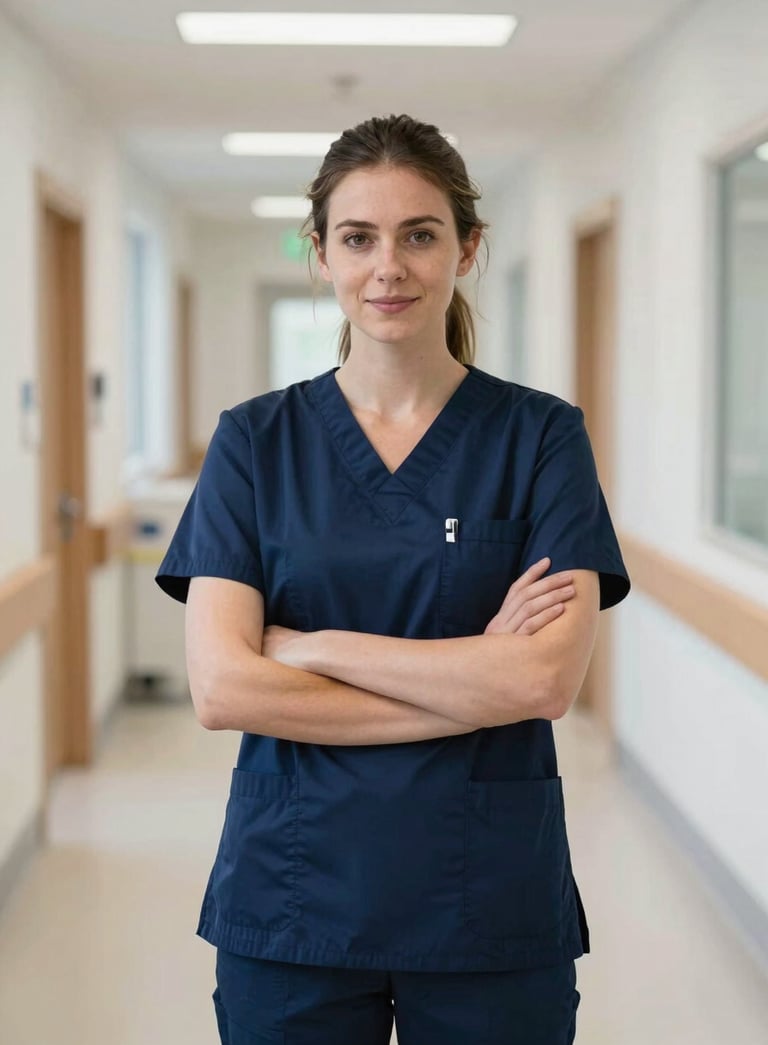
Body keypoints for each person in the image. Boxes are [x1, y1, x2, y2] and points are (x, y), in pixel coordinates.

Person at [156, 113, 630, 1045]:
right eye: (358, 237)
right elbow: (223, 687)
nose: (389, 267)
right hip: (295, 900)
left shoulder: (541, 438)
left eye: (421, 234)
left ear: (467, 248)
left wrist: (316, 647)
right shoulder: (253, 442)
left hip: (486, 899)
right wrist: (471, 682)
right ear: (319, 255)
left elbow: (541, 681)